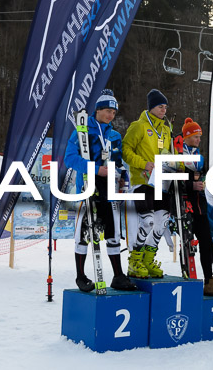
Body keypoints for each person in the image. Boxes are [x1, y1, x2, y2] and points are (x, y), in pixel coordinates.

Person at [64, 89, 136, 292]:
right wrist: (96, 169)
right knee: (84, 232)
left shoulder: (114, 135)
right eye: (107, 111)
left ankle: (118, 276)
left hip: (109, 188)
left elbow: (119, 161)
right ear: (97, 110)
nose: (111, 115)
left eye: (114, 112)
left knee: (113, 231)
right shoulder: (82, 131)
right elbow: (69, 158)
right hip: (87, 186)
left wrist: (123, 178)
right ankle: (80, 276)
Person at [122, 89, 173, 278]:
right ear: (151, 107)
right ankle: (134, 260)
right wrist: (144, 164)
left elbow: (168, 154)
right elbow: (125, 151)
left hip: (162, 183)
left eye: (165, 107)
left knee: (161, 223)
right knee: (148, 221)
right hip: (142, 181)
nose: (164, 110)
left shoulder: (166, 130)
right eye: (160, 106)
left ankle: (148, 260)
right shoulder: (139, 126)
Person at [177, 117, 213, 297]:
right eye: (195, 137)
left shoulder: (200, 156)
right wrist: (190, 186)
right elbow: (172, 179)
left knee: (206, 243)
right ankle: (186, 276)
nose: (198, 140)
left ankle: (209, 280)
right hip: (184, 204)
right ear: (186, 136)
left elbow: (201, 177)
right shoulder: (178, 153)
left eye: (199, 137)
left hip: (200, 206)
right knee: (187, 244)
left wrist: (204, 184)